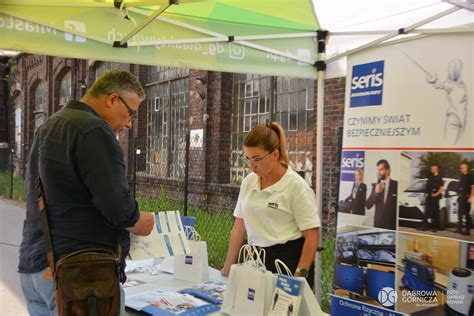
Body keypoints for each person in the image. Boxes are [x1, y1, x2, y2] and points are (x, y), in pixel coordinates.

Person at [18, 70, 155, 315]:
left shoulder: (50, 125)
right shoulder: (94, 130)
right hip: (80, 275)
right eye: (131, 113)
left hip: (36, 267)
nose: (130, 122)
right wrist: (141, 221)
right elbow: (119, 210)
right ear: (112, 99)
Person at [220, 122, 321, 288]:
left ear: (275, 155)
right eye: (247, 158)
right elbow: (238, 228)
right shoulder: (249, 182)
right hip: (255, 261)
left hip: (287, 263)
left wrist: (298, 277)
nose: (252, 165)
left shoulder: (296, 186)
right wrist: (226, 270)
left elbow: (312, 236)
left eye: (257, 159)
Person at [365, 159, 398, 230]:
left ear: (388, 170)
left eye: (381, 169)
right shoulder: (375, 186)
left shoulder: (396, 185)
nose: (379, 172)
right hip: (378, 224)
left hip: (391, 225)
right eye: (378, 170)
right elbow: (368, 205)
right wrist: (376, 192)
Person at [419, 165, 444, 232]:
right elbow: (427, 188)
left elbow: (441, 189)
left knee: (435, 213)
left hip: (436, 198)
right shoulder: (430, 177)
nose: (430, 170)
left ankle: (435, 227)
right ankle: (425, 226)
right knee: (427, 212)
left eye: (431, 169)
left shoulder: (439, 177)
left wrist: (436, 194)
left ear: (435, 169)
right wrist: (424, 197)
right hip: (429, 197)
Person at [457, 163, 473, 236]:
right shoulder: (461, 177)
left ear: (466, 168)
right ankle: (459, 229)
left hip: (467, 198)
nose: (460, 169)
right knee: (460, 215)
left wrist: (471, 197)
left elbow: (473, 187)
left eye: (461, 168)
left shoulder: (470, 177)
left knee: (467, 215)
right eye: (460, 168)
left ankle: (467, 230)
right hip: (461, 198)